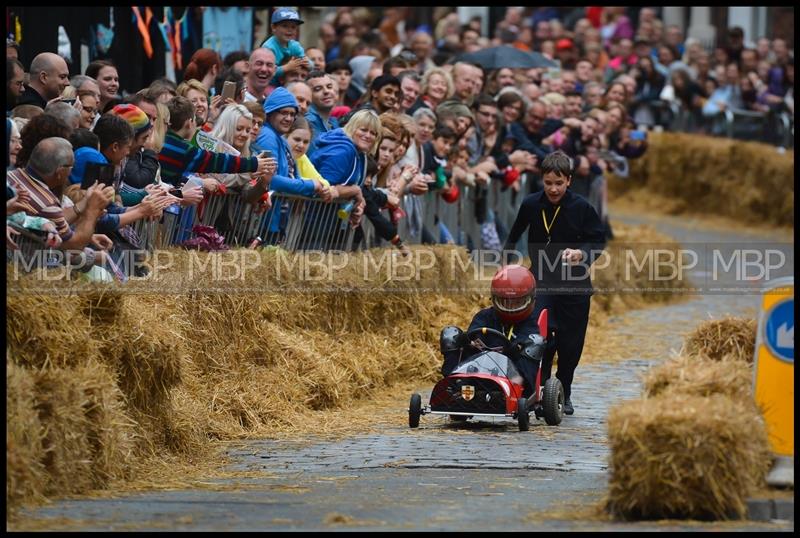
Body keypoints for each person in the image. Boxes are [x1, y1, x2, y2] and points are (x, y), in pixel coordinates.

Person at [502, 150, 606, 416]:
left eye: (559, 183)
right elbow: (514, 234)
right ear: (542, 180)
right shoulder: (531, 203)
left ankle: (564, 391)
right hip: (541, 280)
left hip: (574, 284)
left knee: (570, 344)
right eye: (548, 183)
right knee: (539, 338)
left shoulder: (581, 207)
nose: (553, 189)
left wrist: (581, 253)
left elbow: (598, 241)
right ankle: (540, 391)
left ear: (569, 180)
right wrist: (507, 263)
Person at [439, 264, 546, 397]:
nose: (510, 308)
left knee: (536, 343)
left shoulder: (530, 323)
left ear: (530, 300)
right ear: (494, 299)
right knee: (451, 334)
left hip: (511, 373)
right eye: (505, 303)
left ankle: (518, 392)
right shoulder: (484, 316)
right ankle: (452, 384)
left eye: (516, 303)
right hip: (478, 367)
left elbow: (524, 342)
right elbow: (474, 333)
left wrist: (512, 348)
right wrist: (471, 342)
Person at [261, 7, 309, 86]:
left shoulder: (295, 45)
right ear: (273, 27)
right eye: (285, 26)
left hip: (288, 83)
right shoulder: (268, 47)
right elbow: (266, 71)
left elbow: (307, 63)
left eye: (293, 27)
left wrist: (308, 63)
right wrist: (286, 67)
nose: (289, 30)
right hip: (268, 85)